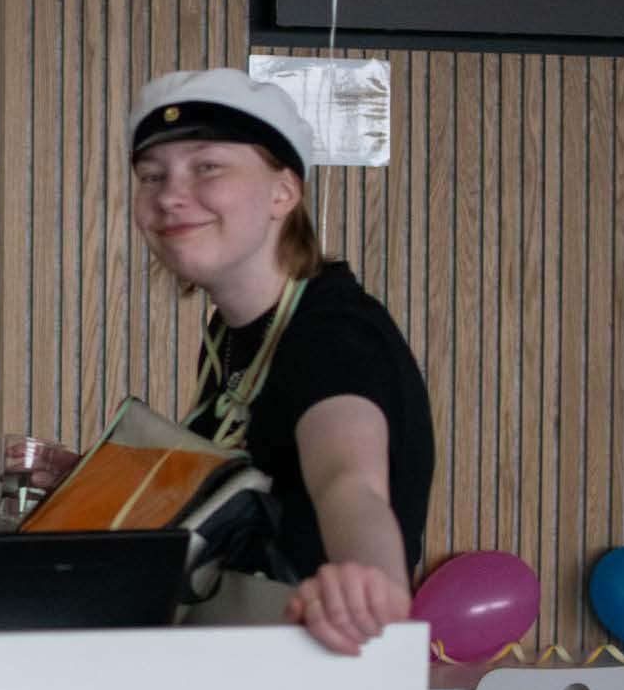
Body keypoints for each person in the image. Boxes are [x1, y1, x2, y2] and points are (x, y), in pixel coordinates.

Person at [127, 68, 434, 655]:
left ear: (283, 193)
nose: (168, 194)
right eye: (151, 176)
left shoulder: (332, 332)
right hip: (247, 663)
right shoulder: (234, 331)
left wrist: (370, 578)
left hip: (324, 661)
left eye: (207, 167)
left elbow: (348, 479)